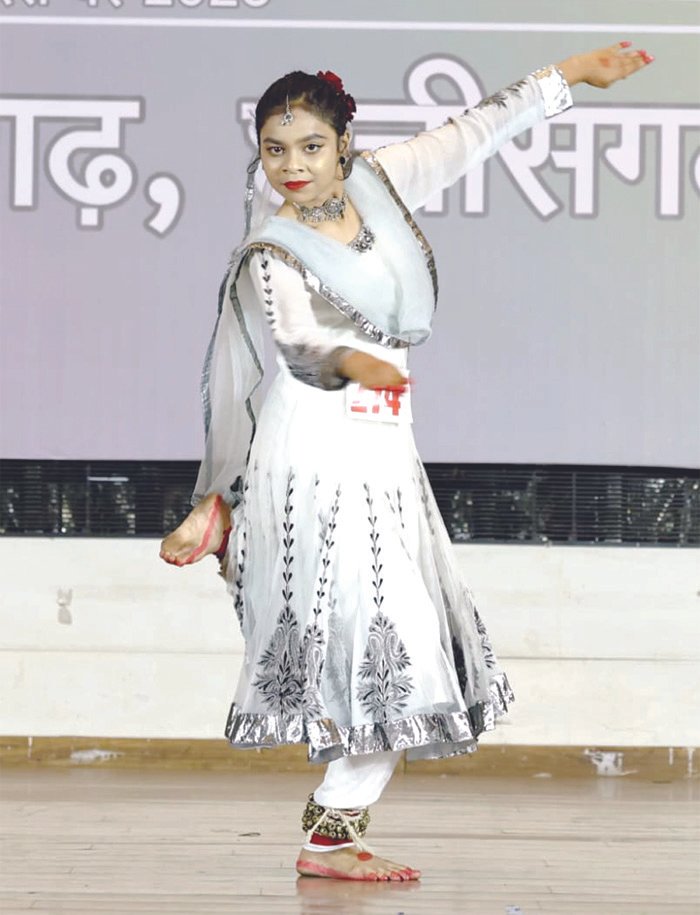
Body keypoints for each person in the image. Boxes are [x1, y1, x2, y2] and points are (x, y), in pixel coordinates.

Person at [160, 43, 653, 881]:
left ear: (343, 144)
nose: (291, 166)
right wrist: (361, 362)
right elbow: (299, 344)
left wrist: (572, 74)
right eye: (274, 149)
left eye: (310, 146)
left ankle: (332, 829)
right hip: (314, 444)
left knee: (393, 644)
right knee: (398, 645)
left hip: (384, 443)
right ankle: (330, 828)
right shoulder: (274, 242)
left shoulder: (384, 185)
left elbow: (477, 129)